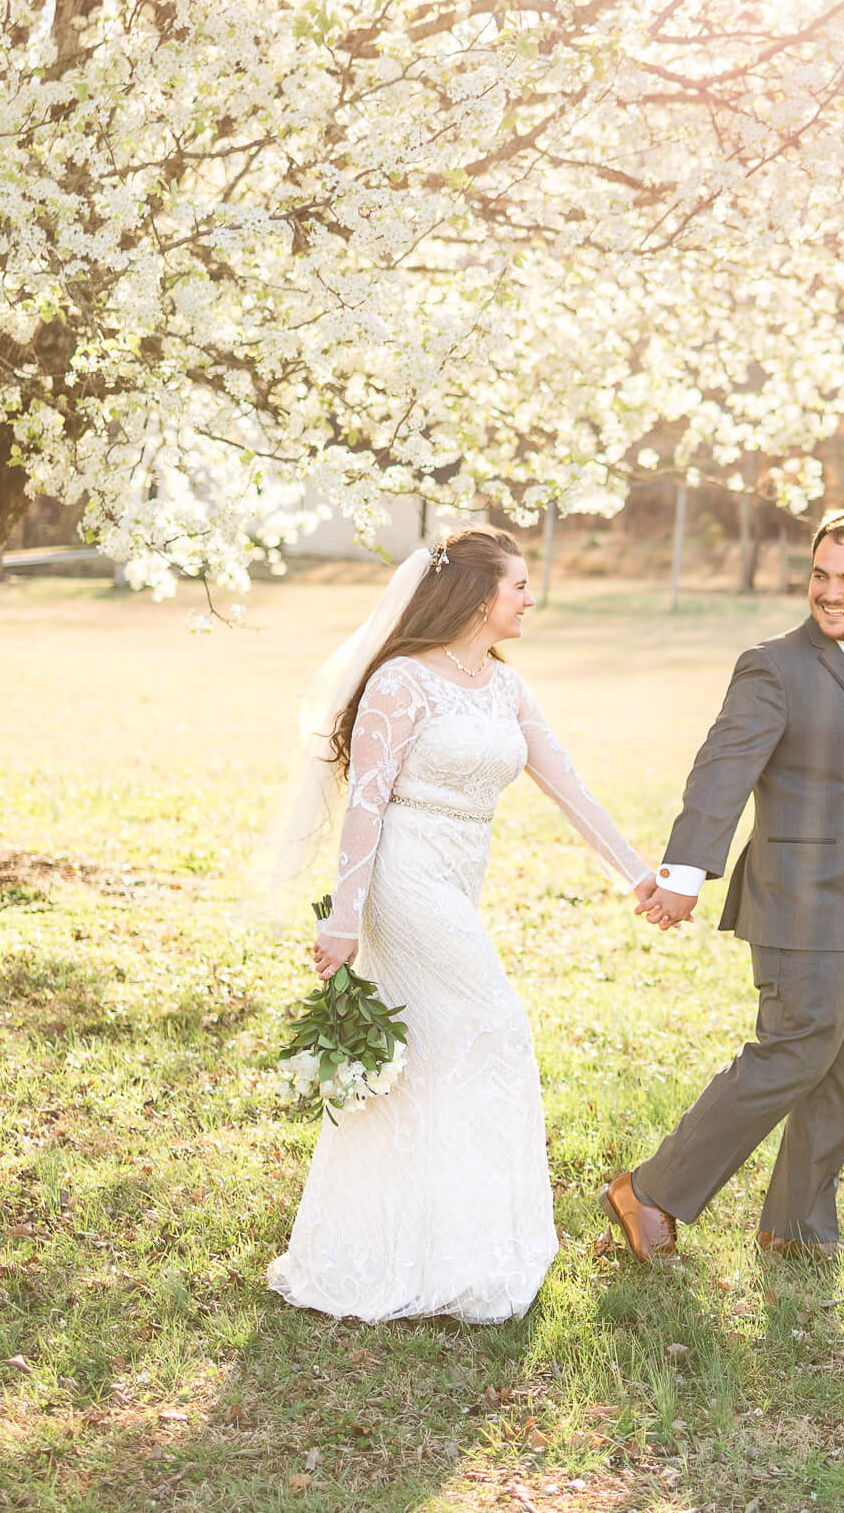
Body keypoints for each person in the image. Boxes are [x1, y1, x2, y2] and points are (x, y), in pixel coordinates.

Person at [267, 528, 652, 1323]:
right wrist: (343, 917)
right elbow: (366, 801)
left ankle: (441, 1244)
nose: (530, 598)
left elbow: (568, 786)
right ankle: (428, 1247)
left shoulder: (506, 688)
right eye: (520, 585)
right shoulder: (401, 682)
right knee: (496, 1026)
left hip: (459, 872)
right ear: (481, 598)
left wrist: (637, 874)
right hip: (403, 875)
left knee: (437, 1051)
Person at [602, 509, 844, 1261]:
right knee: (791, 1053)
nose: (830, 592)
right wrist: (684, 873)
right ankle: (648, 1191)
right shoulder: (774, 667)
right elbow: (723, 769)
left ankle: (796, 1226)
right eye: (821, 574)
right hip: (802, 903)